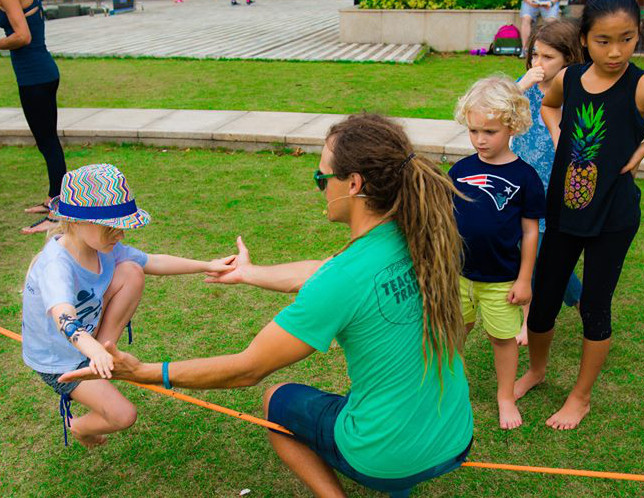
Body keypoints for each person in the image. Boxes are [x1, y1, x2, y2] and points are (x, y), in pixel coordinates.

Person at [61, 114, 474, 497]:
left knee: (277, 400)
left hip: (387, 460)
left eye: (321, 177)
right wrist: (249, 273)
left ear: (353, 184)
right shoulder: (419, 231)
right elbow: (322, 271)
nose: (319, 185)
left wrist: (146, 372)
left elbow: (248, 369)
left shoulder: (344, 279)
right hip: (456, 437)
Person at [515, 0, 644, 430]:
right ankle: (537, 371)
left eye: (627, 39)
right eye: (603, 41)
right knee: (543, 302)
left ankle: (580, 398)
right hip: (563, 206)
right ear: (584, 40)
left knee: (595, 306)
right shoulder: (569, 78)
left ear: (638, 35)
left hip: (613, 216)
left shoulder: (643, 87)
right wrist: (559, 130)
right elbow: (548, 103)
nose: (616, 51)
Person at [22, 163, 234, 448]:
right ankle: (78, 426)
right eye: (112, 226)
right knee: (123, 416)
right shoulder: (56, 266)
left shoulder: (104, 247)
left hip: (89, 339)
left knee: (132, 270)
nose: (120, 234)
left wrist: (208, 265)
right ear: (76, 221)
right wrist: (92, 348)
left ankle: (104, 357)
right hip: (58, 360)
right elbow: (64, 316)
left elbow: (153, 261)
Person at [451, 77, 545, 430]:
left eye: (489, 131)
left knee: (502, 339)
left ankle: (505, 396)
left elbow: (530, 231)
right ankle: (450, 390)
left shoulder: (525, 177)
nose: (479, 140)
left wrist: (524, 280)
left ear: (512, 126)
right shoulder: (459, 171)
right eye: (473, 130)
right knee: (452, 333)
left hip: (501, 280)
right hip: (458, 276)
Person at [511, 20, 585, 346]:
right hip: (522, 185)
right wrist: (521, 85)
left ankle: (531, 320)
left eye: (548, 57)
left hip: (555, 187)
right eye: (534, 55)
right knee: (535, 252)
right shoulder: (523, 88)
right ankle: (582, 302)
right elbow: (493, 112)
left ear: (569, 58)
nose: (537, 64)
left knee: (538, 253)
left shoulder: (576, 93)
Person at [0, 0, 67, 234]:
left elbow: (22, 36)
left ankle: (59, 212)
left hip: (34, 78)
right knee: (47, 142)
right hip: (42, 73)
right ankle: (53, 198)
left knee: (48, 143)